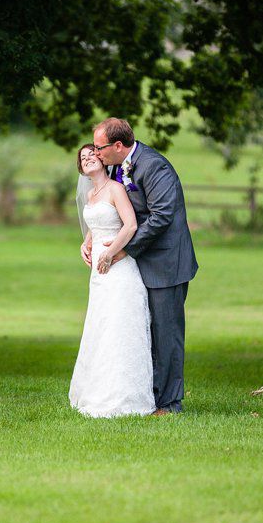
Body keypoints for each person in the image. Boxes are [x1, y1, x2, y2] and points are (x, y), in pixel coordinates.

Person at [81, 118, 198, 414]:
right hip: (139, 263)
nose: (95, 153)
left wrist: (124, 250)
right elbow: (112, 210)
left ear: (117, 146)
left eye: (99, 147)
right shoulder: (119, 168)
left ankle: (170, 404)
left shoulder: (155, 166)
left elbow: (161, 216)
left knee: (166, 332)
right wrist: (92, 238)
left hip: (166, 262)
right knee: (142, 330)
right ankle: (148, 397)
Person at [69, 144, 156, 417]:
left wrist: (110, 252)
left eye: (92, 154)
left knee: (120, 328)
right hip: (98, 275)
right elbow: (96, 225)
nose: (88, 159)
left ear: (102, 159)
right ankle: (97, 391)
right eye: (83, 158)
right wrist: (86, 243)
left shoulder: (116, 188)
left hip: (120, 270)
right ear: (81, 169)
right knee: (101, 327)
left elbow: (129, 225)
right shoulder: (92, 195)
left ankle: (126, 398)